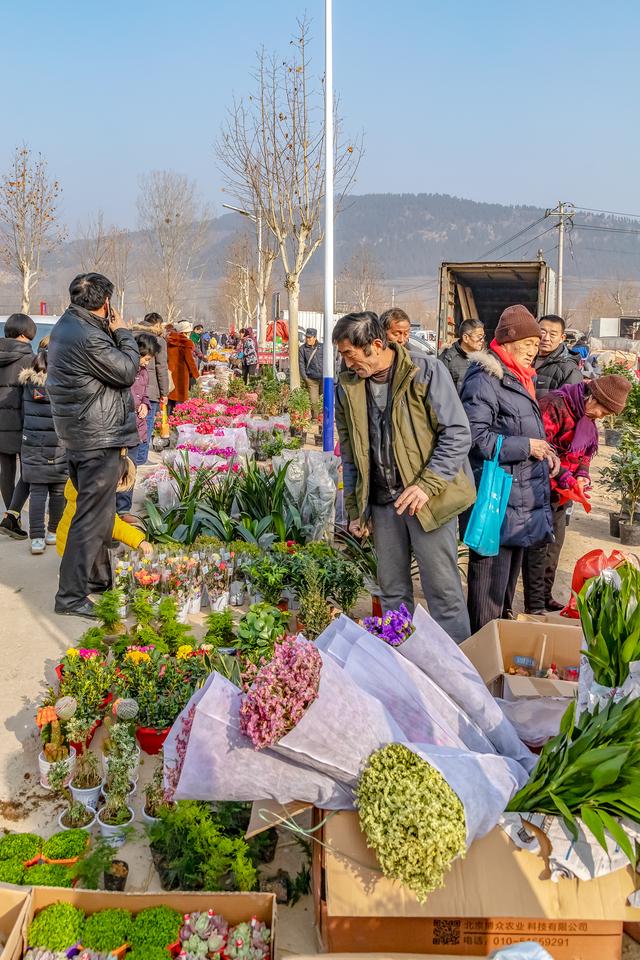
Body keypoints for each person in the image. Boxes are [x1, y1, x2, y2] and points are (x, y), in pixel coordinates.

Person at [333, 311, 475, 644]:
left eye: (350, 354)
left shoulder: (425, 371)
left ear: (376, 345)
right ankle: (403, 665)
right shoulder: (349, 387)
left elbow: (456, 433)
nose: (346, 362)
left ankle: (456, 674)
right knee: (393, 591)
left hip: (430, 502)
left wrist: (426, 485)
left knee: (443, 592)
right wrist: (356, 510)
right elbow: (352, 453)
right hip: (384, 505)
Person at [47, 272, 139, 618]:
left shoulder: (67, 327)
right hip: (97, 438)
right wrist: (124, 332)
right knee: (90, 518)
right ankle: (70, 596)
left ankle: (97, 581)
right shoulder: (88, 336)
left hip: (82, 434)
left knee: (99, 515)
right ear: (105, 303)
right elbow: (127, 370)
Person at [460, 305, 556, 632]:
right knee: (488, 591)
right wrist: (527, 447)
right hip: (496, 500)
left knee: (504, 594)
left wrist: (545, 451)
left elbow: (521, 427)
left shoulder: (519, 378)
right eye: (527, 345)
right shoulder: (485, 378)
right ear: (508, 343)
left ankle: (498, 657)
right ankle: (481, 663)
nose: (534, 351)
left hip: (515, 501)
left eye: (535, 345)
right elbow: (477, 437)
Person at [522, 375, 631, 612]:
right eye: (603, 410)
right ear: (592, 397)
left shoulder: (586, 418)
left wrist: (581, 475)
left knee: (554, 545)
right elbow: (542, 450)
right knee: (538, 547)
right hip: (539, 486)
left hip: (562, 491)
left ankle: (544, 595)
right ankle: (534, 604)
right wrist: (566, 477)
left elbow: (583, 454)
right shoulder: (555, 405)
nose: (602, 417)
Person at [18, 337, 68, 555]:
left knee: (37, 492)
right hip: (59, 447)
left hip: (32, 447)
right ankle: (52, 532)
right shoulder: (63, 388)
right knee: (58, 492)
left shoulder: (25, 388)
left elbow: (20, 415)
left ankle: (36, 537)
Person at [57, 455, 153, 560]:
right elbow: (114, 525)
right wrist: (140, 541)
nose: (120, 481)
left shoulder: (81, 488)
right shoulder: (96, 500)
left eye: (122, 477)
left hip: (69, 543)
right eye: (119, 477)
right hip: (81, 550)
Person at [0, 313, 36, 538]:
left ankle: (10, 517)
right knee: (30, 470)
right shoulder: (30, 359)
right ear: (24, 335)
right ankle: (12, 515)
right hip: (25, 422)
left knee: (5, 471)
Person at [116, 333, 160, 515]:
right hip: (120, 428)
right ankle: (110, 510)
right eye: (146, 358)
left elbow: (144, 396)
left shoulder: (143, 373)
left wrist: (145, 406)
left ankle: (123, 510)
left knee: (131, 470)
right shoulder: (122, 369)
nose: (147, 363)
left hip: (137, 428)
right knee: (116, 471)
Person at [131, 312, 169, 462]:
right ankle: (140, 461)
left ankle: (132, 461)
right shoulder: (158, 340)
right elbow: (161, 368)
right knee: (145, 427)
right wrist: (164, 392)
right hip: (150, 390)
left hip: (132, 390)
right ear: (157, 324)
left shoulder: (129, 334)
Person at [534, 314, 583, 398]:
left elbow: (569, 405)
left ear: (562, 338)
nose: (546, 338)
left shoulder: (569, 370)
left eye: (552, 334)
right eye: (542, 332)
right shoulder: (527, 359)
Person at [438, 319, 485, 392]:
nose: (482, 340)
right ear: (466, 338)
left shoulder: (484, 359)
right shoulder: (447, 359)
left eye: (483, 336)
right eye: (479, 336)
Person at [167, 321, 199, 414]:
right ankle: (177, 419)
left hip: (170, 372)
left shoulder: (169, 341)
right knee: (180, 399)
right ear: (185, 332)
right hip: (181, 374)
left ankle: (168, 418)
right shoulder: (186, 343)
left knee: (170, 396)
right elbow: (190, 361)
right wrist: (196, 375)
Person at [299, 327, 324, 421]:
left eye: (310, 337)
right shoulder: (302, 349)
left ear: (315, 337)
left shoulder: (322, 347)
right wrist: (305, 378)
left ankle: (322, 419)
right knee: (314, 401)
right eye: (307, 337)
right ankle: (315, 418)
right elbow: (301, 364)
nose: (308, 339)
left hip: (323, 378)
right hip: (311, 379)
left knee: (323, 399)